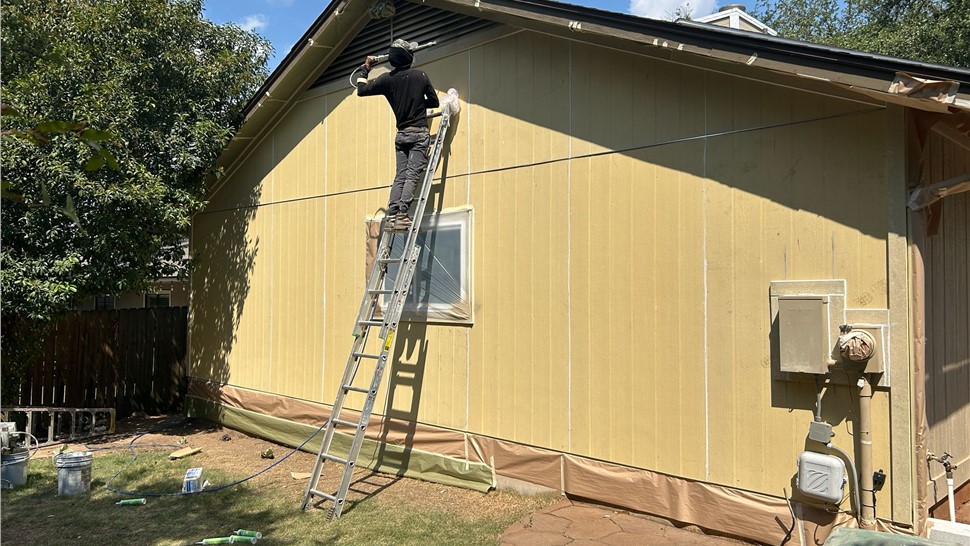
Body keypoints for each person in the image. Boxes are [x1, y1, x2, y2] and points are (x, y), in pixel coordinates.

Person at [355, 39, 440, 232]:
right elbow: (434, 102)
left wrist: (366, 67)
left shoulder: (387, 79)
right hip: (418, 133)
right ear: (409, 57)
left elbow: (361, 90)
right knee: (412, 174)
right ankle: (402, 215)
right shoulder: (421, 76)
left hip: (401, 135)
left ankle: (392, 215)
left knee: (400, 175)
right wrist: (418, 105)